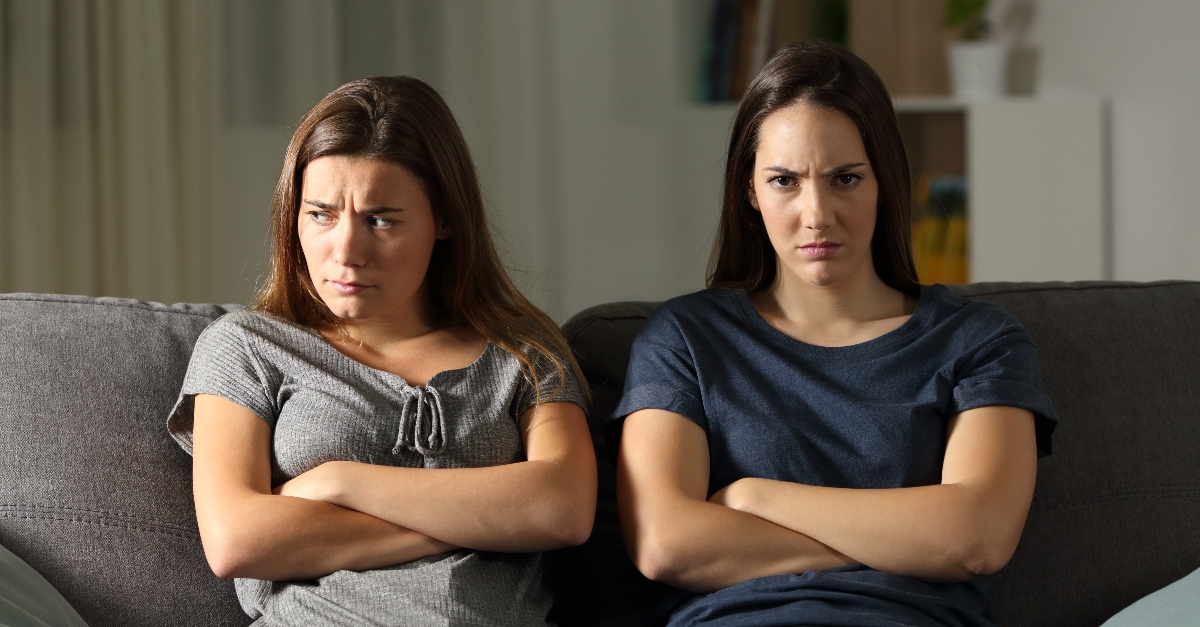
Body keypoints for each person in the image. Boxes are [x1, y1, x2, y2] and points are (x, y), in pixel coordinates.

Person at [613, 40, 1058, 626]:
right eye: (784, 180)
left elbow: (976, 538)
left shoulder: (979, 342)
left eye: (845, 178)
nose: (817, 213)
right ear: (750, 190)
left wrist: (755, 498)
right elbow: (665, 543)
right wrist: (907, 543)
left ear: (884, 181)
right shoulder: (683, 339)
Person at [166, 76, 597, 626]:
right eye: (320, 214)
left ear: (444, 219)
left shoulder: (524, 354)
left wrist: (340, 482)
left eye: (381, 220)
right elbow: (237, 541)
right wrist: (484, 518)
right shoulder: (246, 347)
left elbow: (562, 508)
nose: (346, 251)